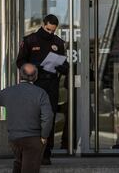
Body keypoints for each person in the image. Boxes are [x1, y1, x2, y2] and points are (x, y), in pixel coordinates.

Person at [16, 14, 68, 165]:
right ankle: (30, 153)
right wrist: (33, 67)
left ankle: (46, 153)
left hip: (51, 85)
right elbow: (20, 62)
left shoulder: (58, 42)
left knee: (48, 119)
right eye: (48, 29)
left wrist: (60, 66)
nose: (50, 32)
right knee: (32, 119)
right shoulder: (30, 40)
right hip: (34, 84)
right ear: (43, 24)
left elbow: (65, 67)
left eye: (53, 30)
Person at [0, 63, 53, 173]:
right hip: (33, 138)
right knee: (29, 168)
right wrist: (44, 136)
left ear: (20, 76)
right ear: (36, 76)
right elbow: (48, 116)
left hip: (14, 139)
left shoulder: (9, 91)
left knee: (19, 164)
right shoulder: (41, 93)